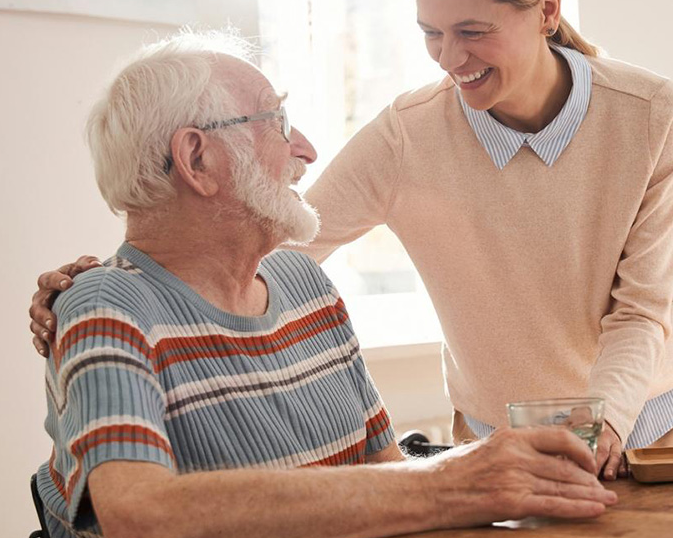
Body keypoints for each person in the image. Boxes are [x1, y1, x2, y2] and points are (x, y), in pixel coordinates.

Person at [29, 0, 673, 480]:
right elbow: (271, 242)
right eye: (431, 33)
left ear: (547, 9)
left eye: (472, 31)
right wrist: (119, 286)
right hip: (496, 431)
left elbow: (641, 309)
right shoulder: (407, 136)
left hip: (641, 414)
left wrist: (603, 425)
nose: (449, 58)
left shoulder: (648, 113)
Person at [35, 32, 616, 538]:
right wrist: (454, 481)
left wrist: (475, 481)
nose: (307, 150)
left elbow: (387, 471)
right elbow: (139, 514)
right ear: (197, 158)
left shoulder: (304, 281)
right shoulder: (105, 307)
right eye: (277, 123)